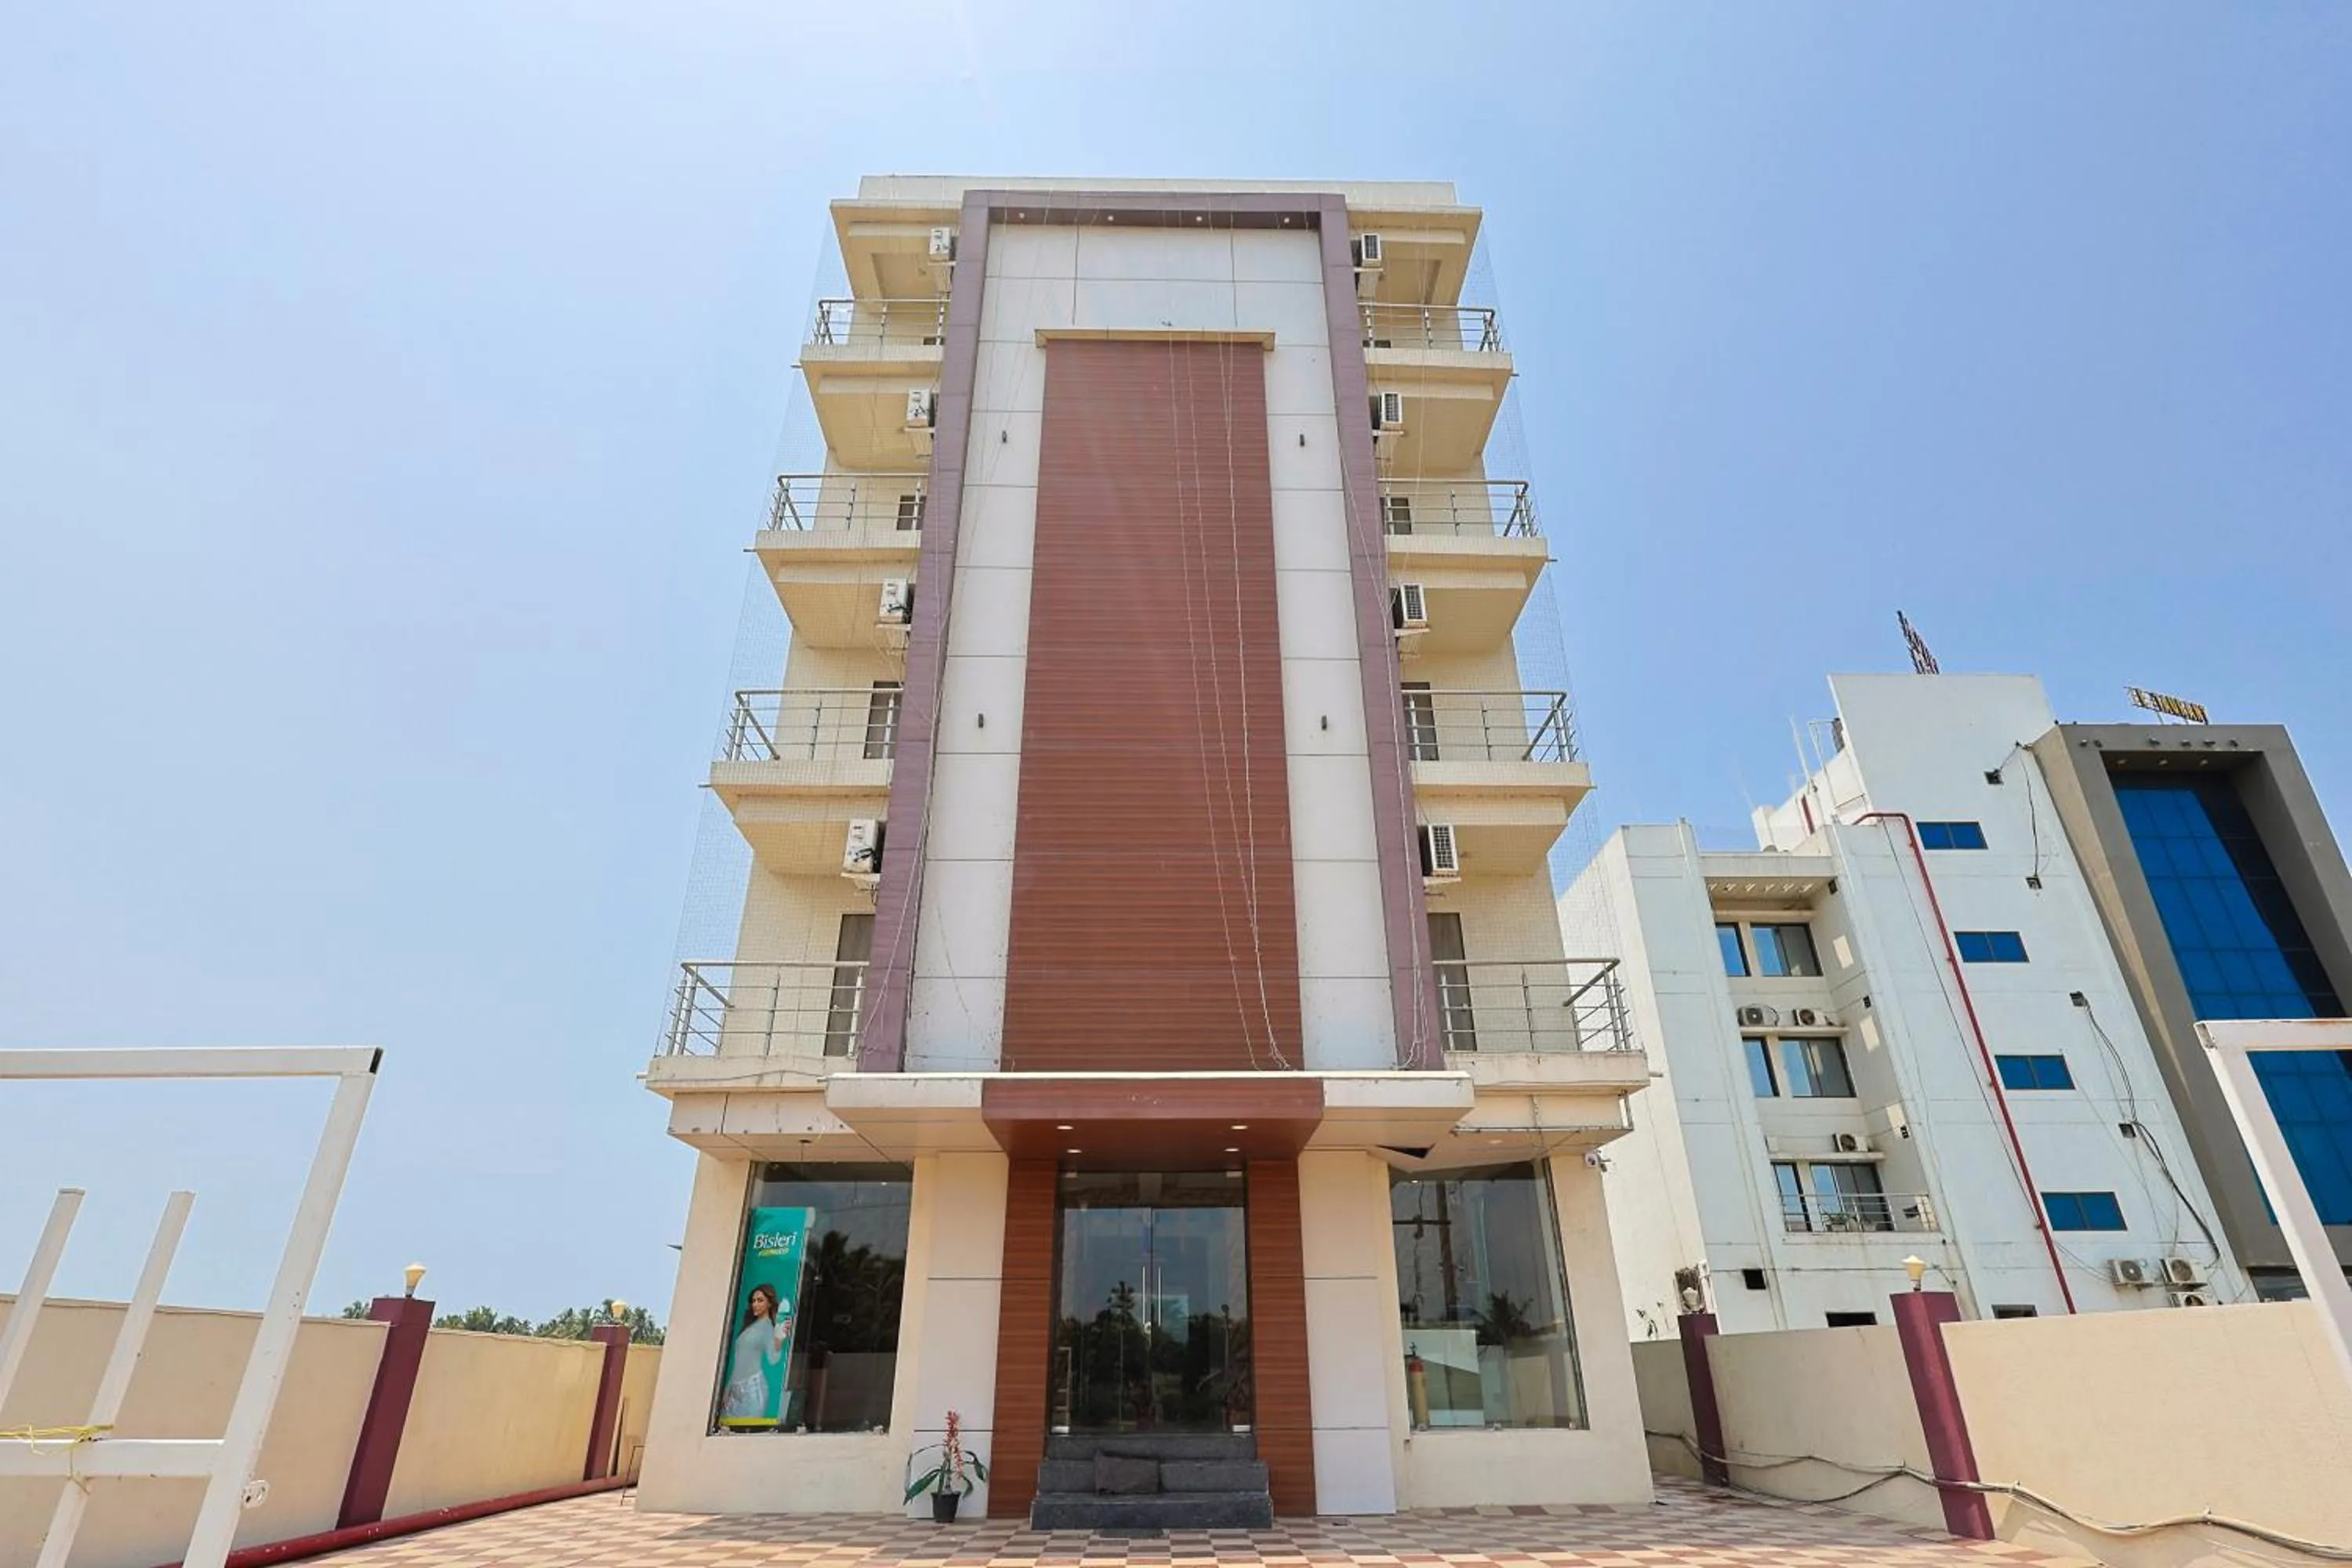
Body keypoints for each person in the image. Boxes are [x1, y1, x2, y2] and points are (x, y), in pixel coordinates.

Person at [720, 1282, 791, 1425]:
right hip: (735, 1390)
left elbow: (773, 1359)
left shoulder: (767, 1328)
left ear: (769, 1304)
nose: (755, 1304)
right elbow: (738, 1361)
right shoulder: (750, 1327)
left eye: (760, 1300)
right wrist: (728, 1388)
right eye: (753, 1301)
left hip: (752, 1390)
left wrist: (779, 1339)